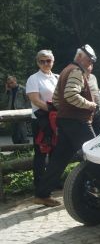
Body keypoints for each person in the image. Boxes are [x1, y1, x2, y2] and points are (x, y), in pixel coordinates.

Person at [33, 45, 98, 207]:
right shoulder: (76, 71)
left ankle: (42, 194)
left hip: (65, 120)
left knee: (58, 160)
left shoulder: (65, 70)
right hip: (77, 121)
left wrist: (63, 111)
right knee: (95, 154)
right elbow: (70, 94)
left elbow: (56, 99)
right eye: (88, 59)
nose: (90, 62)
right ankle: (99, 191)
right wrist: (90, 105)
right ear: (80, 58)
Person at [25, 50, 59, 193]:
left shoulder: (57, 77)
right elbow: (35, 100)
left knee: (55, 152)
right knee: (41, 152)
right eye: (42, 61)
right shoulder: (33, 78)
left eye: (48, 60)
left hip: (55, 119)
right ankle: (39, 185)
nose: (46, 63)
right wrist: (51, 110)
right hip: (41, 120)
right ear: (37, 62)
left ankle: (52, 182)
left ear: (53, 61)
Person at [5, 75, 30, 144]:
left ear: (15, 81)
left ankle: (25, 145)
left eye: (12, 82)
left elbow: (28, 100)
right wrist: (7, 91)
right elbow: (5, 101)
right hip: (11, 112)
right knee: (14, 130)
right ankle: (16, 146)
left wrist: (25, 109)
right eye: (9, 83)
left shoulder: (22, 89)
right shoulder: (9, 91)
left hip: (21, 112)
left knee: (22, 129)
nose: (11, 84)